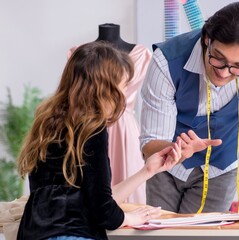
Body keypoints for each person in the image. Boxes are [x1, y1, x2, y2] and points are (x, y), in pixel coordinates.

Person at [16, 41, 185, 240]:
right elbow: (104, 211)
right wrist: (129, 217)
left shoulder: (46, 123)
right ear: (104, 89)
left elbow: (91, 198)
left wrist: (148, 170)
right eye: (123, 86)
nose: (124, 94)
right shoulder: (93, 129)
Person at [140, 1, 239, 215]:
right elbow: (150, 142)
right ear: (206, 40)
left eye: (238, 66)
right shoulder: (165, 61)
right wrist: (176, 151)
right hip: (167, 166)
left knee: (202, 234)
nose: (225, 73)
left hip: (222, 164)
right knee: (160, 233)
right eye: (219, 59)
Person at [68, 24, 152, 204]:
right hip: (87, 124)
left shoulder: (141, 54)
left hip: (124, 130)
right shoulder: (79, 54)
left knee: (129, 185)